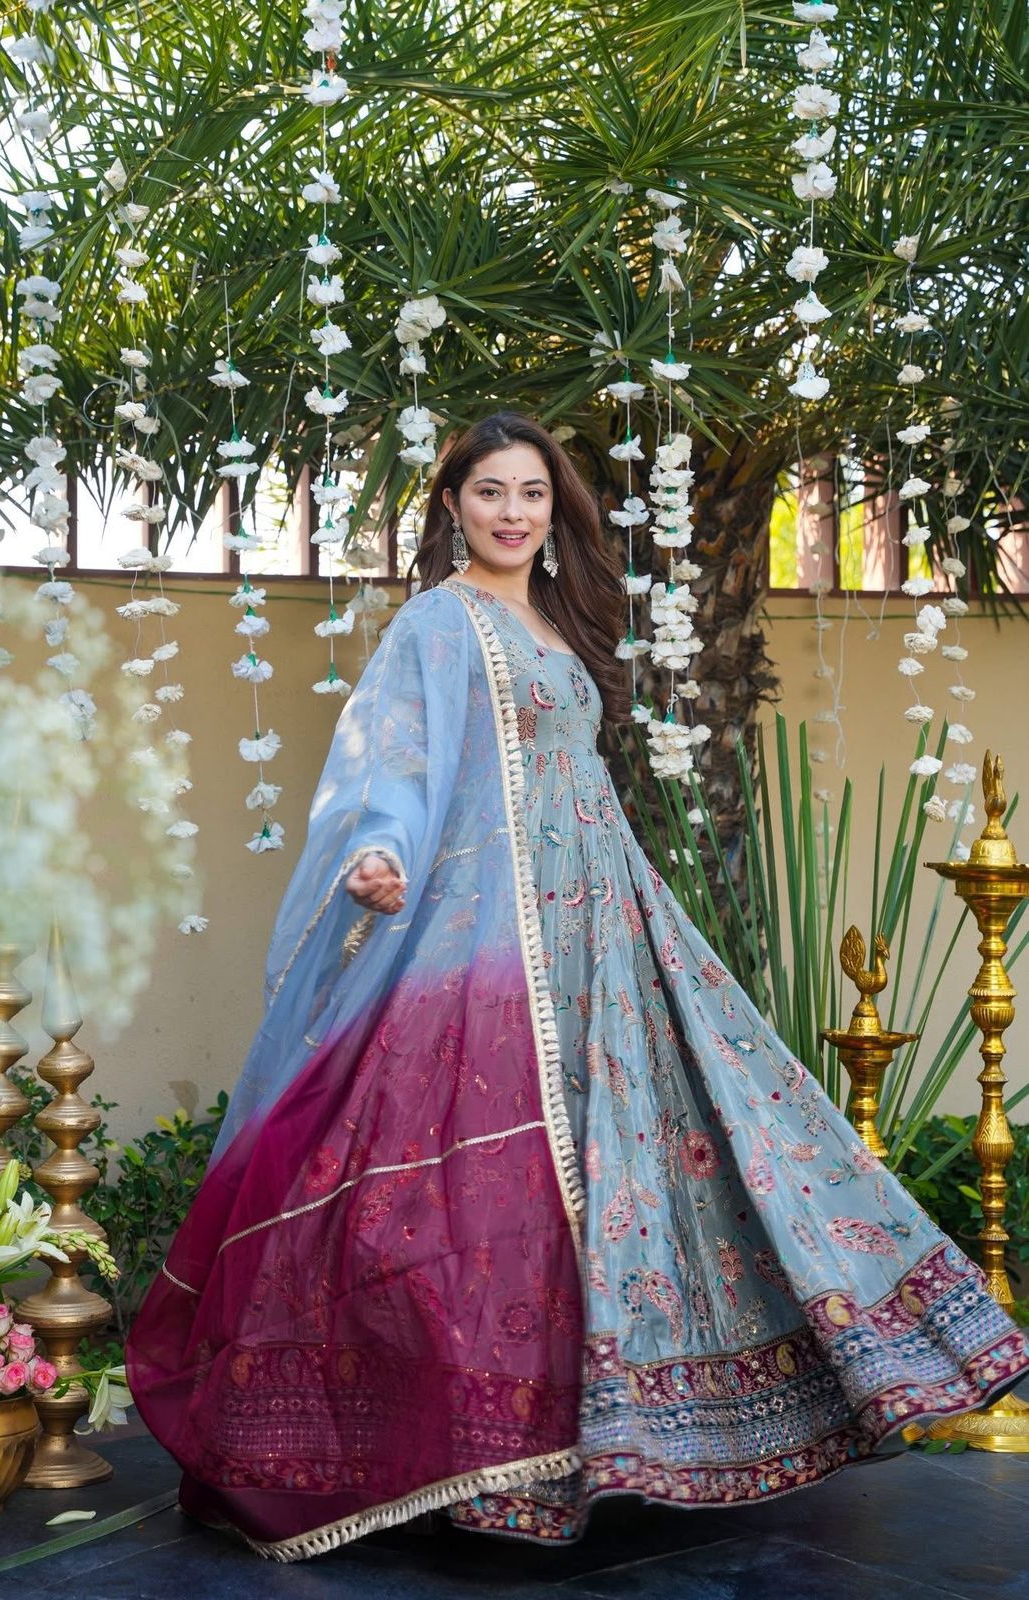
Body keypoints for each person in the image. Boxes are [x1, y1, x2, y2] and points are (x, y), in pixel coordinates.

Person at [126, 411, 1029, 1561]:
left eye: (533, 494)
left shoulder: (552, 618)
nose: (513, 512)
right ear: (451, 502)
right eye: (491, 491)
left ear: (557, 513)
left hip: (603, 921)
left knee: (665, 1148)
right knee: (471, 1186)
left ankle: (626, 1434)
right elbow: (393, 756)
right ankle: (462, 1449)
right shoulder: (439, 623)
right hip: (489, 935)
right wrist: (382, 848)